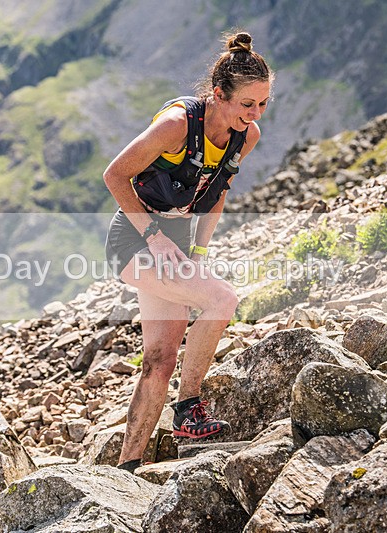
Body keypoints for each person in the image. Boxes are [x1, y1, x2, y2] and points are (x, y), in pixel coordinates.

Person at [104, 31, 272, 472]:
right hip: (135, 238)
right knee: (222, 299)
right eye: (247, 103)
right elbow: (115, 175)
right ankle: (188, 409)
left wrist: (198, 250)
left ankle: (127, 467)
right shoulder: (176, 125)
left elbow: (218, 192)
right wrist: (154, 237)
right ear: (218, 95)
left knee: (159, 360)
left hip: (176, 243)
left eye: (262, 103)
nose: (255, 114)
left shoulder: (246, 135)